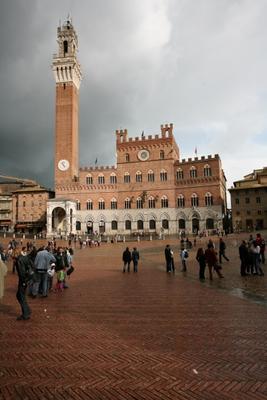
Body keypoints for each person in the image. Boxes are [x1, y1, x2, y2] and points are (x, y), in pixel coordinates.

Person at [15, 247, 32, 320]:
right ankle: (27, 310)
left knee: (21, 296)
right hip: (25, 279)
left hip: (23, 280)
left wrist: (24, 281)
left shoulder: (19, 259)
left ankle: (25, 313)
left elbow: (21, 272)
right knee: (19, 295)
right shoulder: (24, 257)